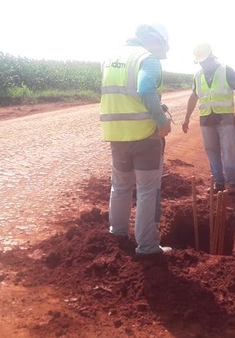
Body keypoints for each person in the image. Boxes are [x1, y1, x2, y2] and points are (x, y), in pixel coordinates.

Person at [99, 22, 172, 257]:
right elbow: (144, 88)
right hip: (144, 136)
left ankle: (118, 232)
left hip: (117, 136)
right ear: (154, 39)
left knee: (120, 187)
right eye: (163, 45)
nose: (163, 52)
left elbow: (124, 95)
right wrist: (161, 119)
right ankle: (147, 246)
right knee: (147, 191)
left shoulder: (110, 58)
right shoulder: (147, 59)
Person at [181, 43, 235, 195]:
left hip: (225, 118)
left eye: (205, 61)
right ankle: (218, 183)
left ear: (212, 57)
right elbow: (193, 96)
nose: (203, 65)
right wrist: (186, 118)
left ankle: (232, 184)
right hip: (206, 119)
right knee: (212, 151)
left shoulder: (226, 71)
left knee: (229, 150)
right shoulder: (197, 76)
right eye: (200, 62)